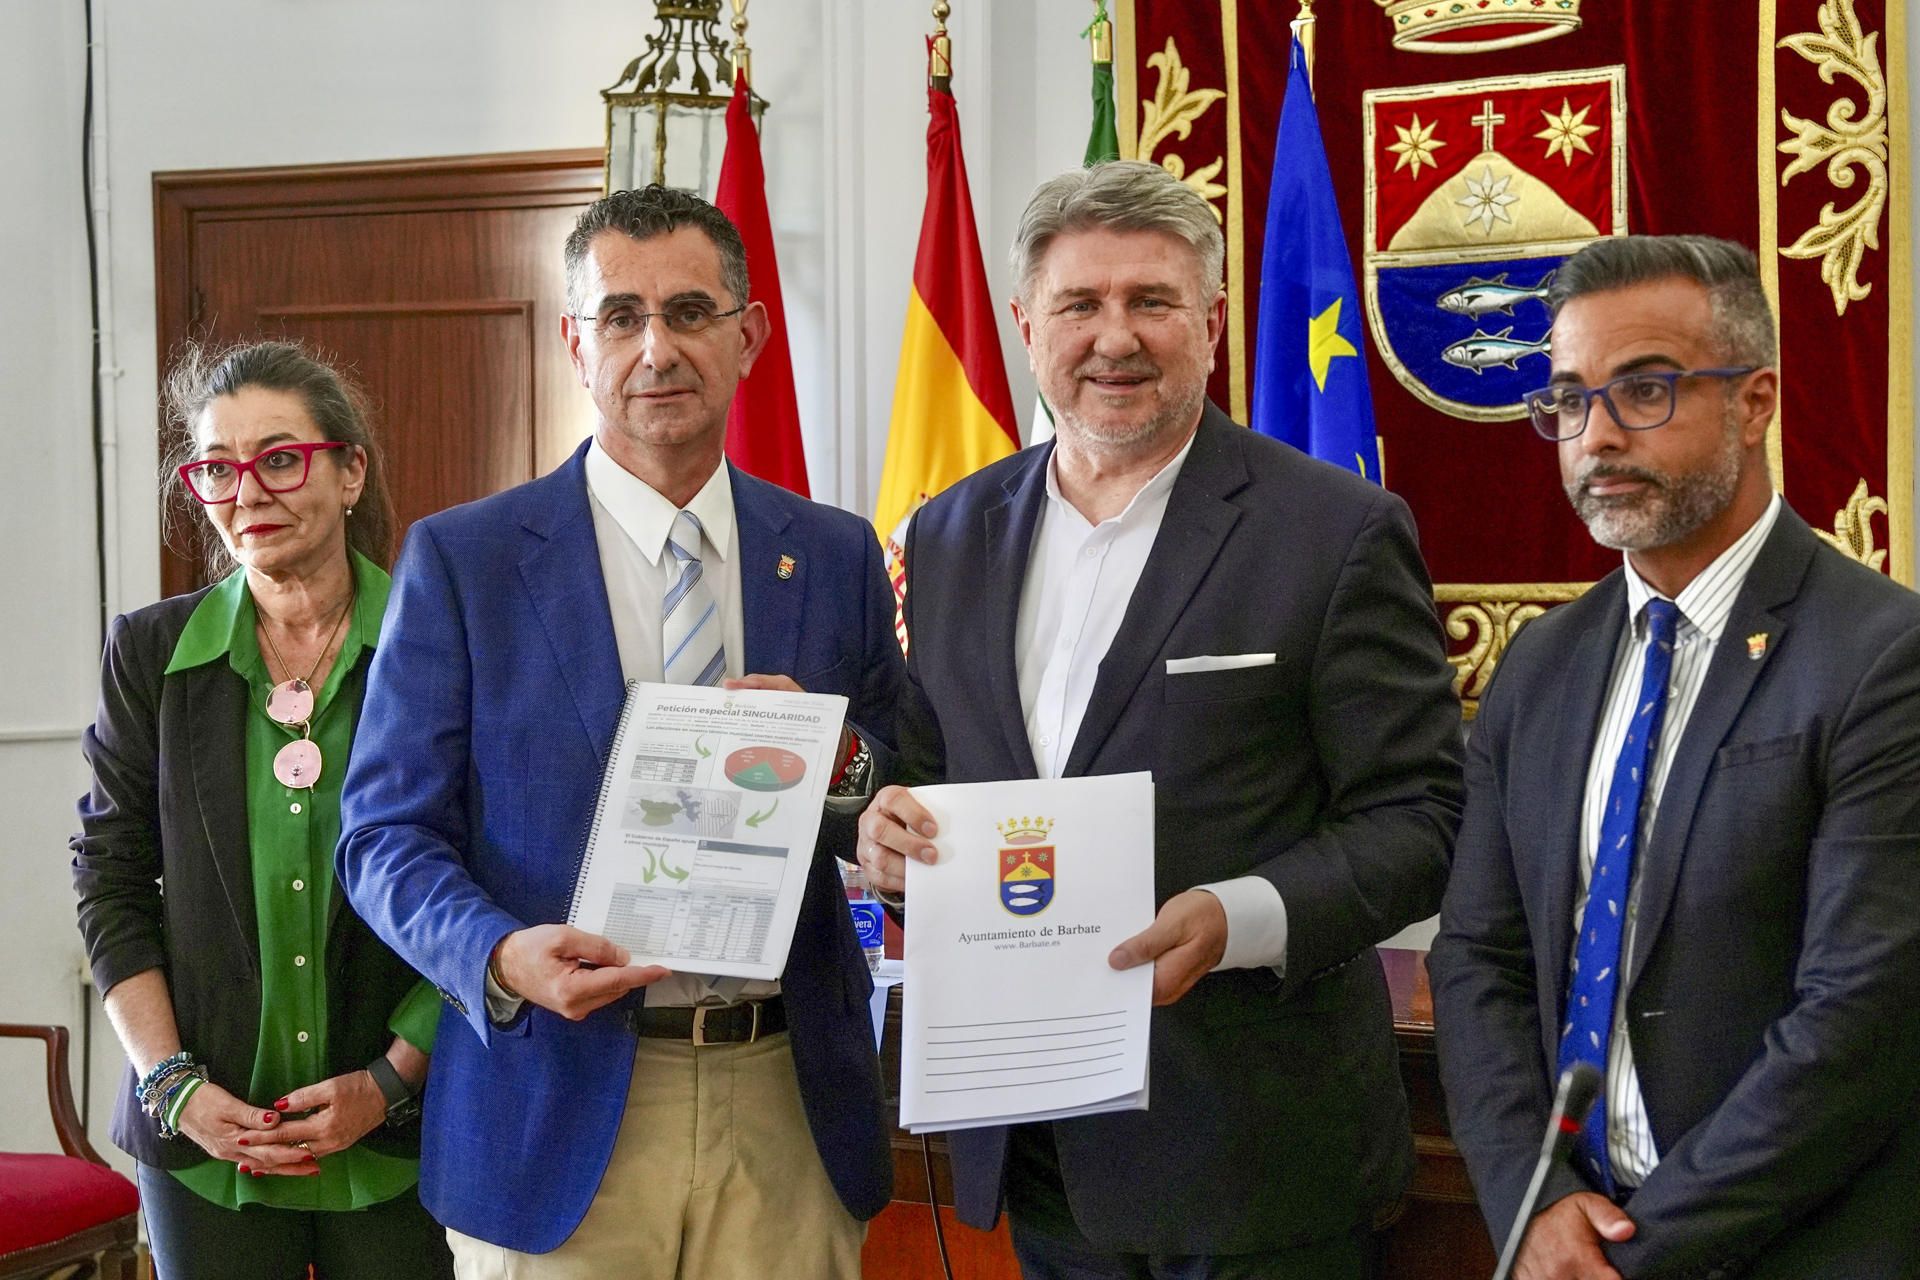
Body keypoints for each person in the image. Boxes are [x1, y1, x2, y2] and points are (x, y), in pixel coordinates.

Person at [858, 159, 1465, 1278]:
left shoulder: (1334, 530)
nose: (1115, 338)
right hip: (1036, 1143)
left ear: (1214, 322)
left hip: (1259, 1156)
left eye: (1152, 301)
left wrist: (1240, 916)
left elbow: (1424, 815)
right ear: (1025, 322)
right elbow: (931, 772)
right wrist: (891, 840)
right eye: (1082, 304)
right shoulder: (944, 535)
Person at [336, 185, 903, 1279]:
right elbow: (383, 839)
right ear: (574, 341)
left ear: (751, 334)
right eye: (621, 316)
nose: (658, 347)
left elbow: (901, 781)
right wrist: (498, 954)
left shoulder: (832, 553)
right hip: (553, 1104)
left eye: (692, 311)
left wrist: (829, 753)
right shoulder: (466, 562)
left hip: (785, 1103)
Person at [1428, 234, 1920, 1279]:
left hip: (1802, 1243)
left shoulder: (1884, 655)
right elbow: (1478, 958)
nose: (1596, 435)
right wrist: (1540, 1199)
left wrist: (1638, 1254)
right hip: (1571, 1229)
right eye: (1568, 398)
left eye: (1644, 389)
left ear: (1755, 402)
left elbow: (1862, 1018)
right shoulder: (1543, 665)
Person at [71, 340, 453, 1279]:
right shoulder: (151, 655)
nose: (248, 490)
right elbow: (109, 881)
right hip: (206, 1142)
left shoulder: (438, 642)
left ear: (350, 468)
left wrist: (394, 1077)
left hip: (402, 1133)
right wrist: (173, 1086)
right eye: (216, 467)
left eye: (280, 458)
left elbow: (496, 872)